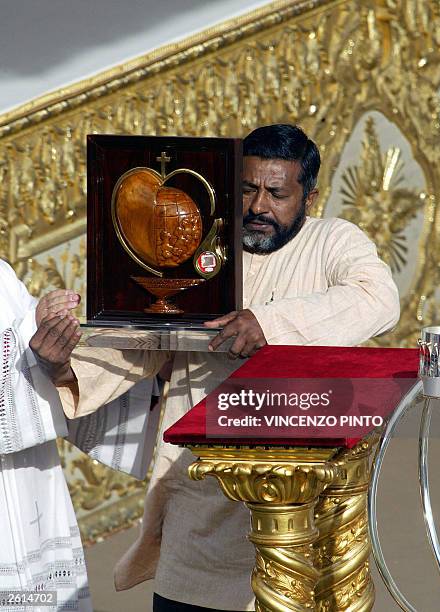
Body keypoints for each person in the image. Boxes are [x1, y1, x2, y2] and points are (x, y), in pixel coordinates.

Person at [66, 124, 400, 611]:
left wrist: (268, 322)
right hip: (198, 512)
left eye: (277, 193)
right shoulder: (202, 253)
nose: (259, 206)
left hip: (300, 515)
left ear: (311, 196)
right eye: (247, 189)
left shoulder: (333, 241)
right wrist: (63, 366)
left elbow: (378, 299)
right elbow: (141, 344)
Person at [0, 260, 164, 611]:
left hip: (32, 500)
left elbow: (49, 372)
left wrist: (56, 355)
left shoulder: (1, 276)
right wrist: (31, 331)